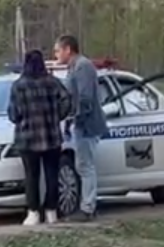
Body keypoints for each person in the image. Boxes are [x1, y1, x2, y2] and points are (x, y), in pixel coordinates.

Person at [7, 49, 72, 226]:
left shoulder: (19, 86)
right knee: (52, 174)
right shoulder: (53, 82)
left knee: (31, 176)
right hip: (51, 136)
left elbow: (13, 114)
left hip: (27, 137)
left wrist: (22, 117)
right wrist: (58, 115)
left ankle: (33, 212)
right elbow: (67, 100)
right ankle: (52, 211)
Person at [53, 34, 108, 220]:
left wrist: (76, 120)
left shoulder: (83, 66)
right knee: (83, 165)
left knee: (85, 166)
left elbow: (85, 98)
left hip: (86, 125)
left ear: (68, 49)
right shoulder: (73, 67)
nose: (56, 54)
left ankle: (88, 208)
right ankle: (87, 206)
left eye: (58, 50)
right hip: (79, 124)